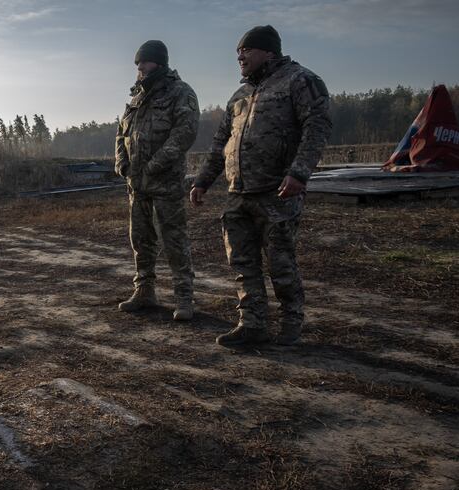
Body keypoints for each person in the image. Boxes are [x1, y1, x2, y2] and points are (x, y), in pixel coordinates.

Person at [190, 26, 331, 346]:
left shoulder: (299, 80)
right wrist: (202, 180)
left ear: (269, 51)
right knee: (242, 261)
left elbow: (317, 126)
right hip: (238, 193)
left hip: (276, 191)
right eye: (237, 52)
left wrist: (299, 173)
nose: (239, 56)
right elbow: (219, 143)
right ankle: (251, 322)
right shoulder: (238, 96)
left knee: (280, 261)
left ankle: (291, 321)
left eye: (246, 50)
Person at [115, 40, 200, 321]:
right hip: (136, 184)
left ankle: (184, 298)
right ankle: (145, 291)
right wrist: (122, 162)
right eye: (137, 63)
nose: (139, 67)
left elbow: (184, 134)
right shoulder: (137, 95)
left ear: (159, 63)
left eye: (144, 62)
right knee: (140, 238)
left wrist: (155, 165)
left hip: (165, 182)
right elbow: (121, 131)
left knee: (174, 239)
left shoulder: (180, 92)